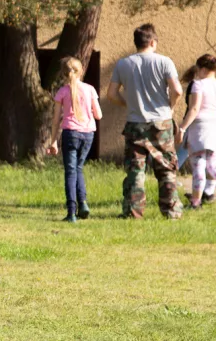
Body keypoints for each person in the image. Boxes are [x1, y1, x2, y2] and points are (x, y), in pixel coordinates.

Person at [106, 23, 184, 219]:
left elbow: (111, 94)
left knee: (135, 170)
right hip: (162, 123)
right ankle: (171, 211)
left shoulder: (123, 64)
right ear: (152, 42)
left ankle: (133, 212)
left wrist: (128, 104)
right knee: (166, 168)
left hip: (135, 124)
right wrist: (170, 106)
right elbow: (177, 91)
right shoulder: (165, 62)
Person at [176, 54, 216, 209]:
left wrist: (182, 128)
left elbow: (194, 109)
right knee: (215, 168)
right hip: (215, 130)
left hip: (199, 130)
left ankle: (196, 202)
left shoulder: (198, 85)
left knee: (198, 167)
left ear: (201, 69)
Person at [47, 56, 102, 223]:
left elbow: (56, 119)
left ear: (63, 74)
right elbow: (99, 115)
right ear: (81, 71)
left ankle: (72, 212)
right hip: (88, 134)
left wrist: (53, 140)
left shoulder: (62, 92)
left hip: (70, 133)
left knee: (71, 171)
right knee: (78, 168)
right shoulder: (90, 89)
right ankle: (83, 203)